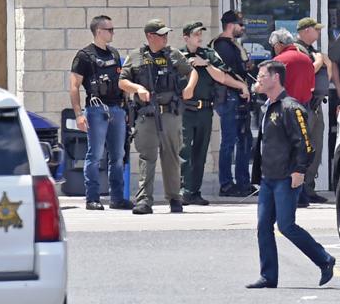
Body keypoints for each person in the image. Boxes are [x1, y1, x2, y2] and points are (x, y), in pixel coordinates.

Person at [246, 60, 336, 290]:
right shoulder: (267, 106)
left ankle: (324, 259)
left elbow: (305, 144)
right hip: (268, 178)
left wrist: (299, 170)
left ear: (275, 78)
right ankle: (268, 276)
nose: (258, 80)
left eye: (262, 75)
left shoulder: (290, 108)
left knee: (286, 226)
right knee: (263, 226)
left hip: (286, 177)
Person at [119, 19, 193, 215]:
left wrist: (190, 87)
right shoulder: (136, 56)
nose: (165, 37)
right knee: (147, 157)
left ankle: (174, 198)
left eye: (166, 34)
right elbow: (122, 81)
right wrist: (138, 88)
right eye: (161, 34)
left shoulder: (173, 54)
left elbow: (191, 72)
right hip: (147, 115)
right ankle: (144, 200)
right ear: (150, 36)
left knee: (171, 156)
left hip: (169, 113)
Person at [179, 21, 250, 206]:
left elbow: (222, 76)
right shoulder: (177, 55)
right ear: (186, 37)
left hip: (204, 109)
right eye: (195, 34)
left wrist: (206, 64)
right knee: (184, 151)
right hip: (185, 110)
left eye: (200, 34)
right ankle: (183, 190)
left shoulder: (208, 54)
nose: (199, 37)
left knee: (200, 152)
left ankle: (194, 191)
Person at [68, 15, 132, 211]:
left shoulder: (114, 53)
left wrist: (126, 109)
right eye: (109, 29)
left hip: (117, 109)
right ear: (98, 31)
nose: (113, 33)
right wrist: (79, 114)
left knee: (118, 156)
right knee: (95, 155)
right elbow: (74, 86)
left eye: (113, 29)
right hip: (96, 109)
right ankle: (92, 198)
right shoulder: (84, 56)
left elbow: (121, 83)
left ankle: (117, 198)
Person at [212, 10, 256, 198]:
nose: (243, 28)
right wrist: (241, 84)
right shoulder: (221, 45)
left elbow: (241, 68)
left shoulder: (233, 45)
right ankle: (226, 184)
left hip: (239, 96)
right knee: (229, 142)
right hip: (229, 97)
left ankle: (243, 183)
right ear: (231, 25)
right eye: (240, 24)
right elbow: (227, 72)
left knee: (244, 140)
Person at [294, 16, 330, 205]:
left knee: (316, 147)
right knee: (304, 148)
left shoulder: (312, 50)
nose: (318, 32)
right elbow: (308, 71)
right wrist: (319, 60)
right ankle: (299, 190)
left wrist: (325, 62)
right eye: (316, 29)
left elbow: (327, 69)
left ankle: (309, 188)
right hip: (305, 105)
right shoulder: (298, 49)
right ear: (306, 30)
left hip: (316, 105)